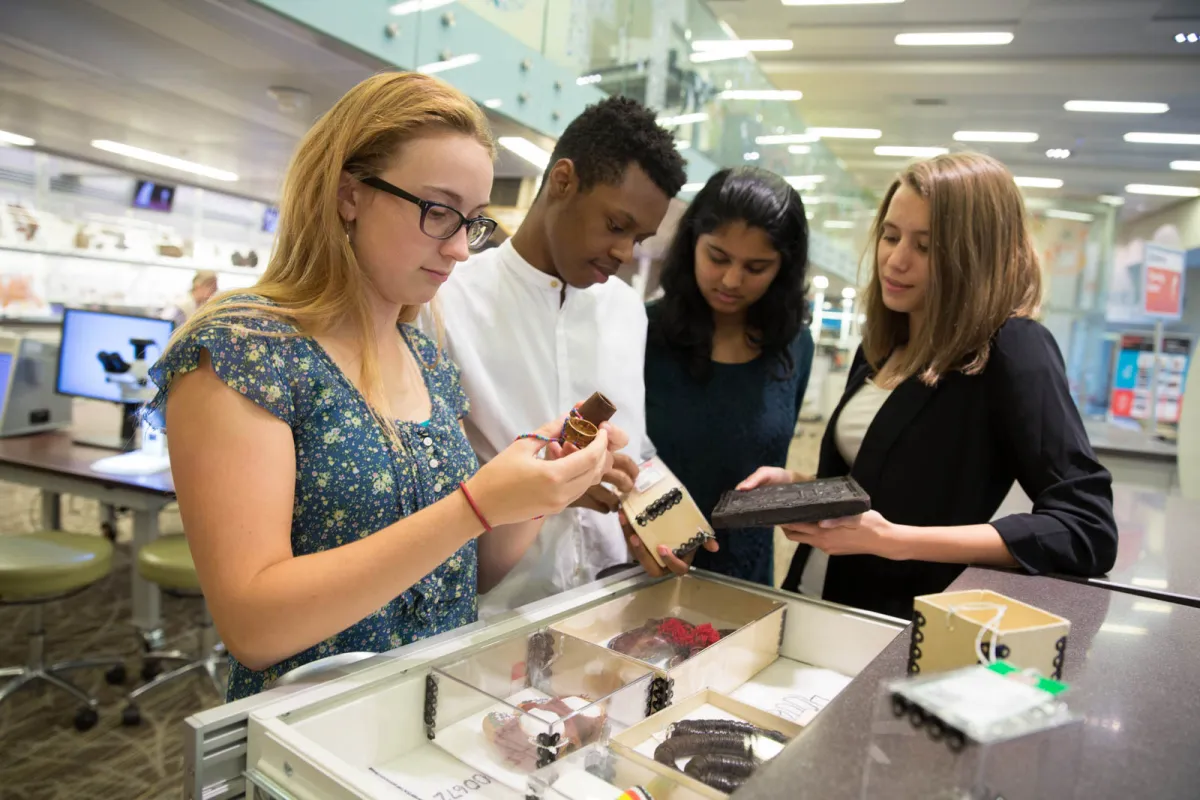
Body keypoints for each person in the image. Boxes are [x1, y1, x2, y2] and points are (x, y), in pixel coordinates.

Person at [145, 72, 620, 701]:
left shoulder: (425, 359)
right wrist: (473, 506)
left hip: (430, 718)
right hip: (311, 735)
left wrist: (538, 490)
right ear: (349, 194)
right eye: (437, 211)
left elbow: (461, 576)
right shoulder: (245, 351)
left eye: (472, 222)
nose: (458, 250)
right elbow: (254, 624)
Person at [740, 152, 1118, 619]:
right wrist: (798, 487)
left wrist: (896, 541)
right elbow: (880, 484)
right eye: (890, 236)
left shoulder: (1013, 349)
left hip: (901, 623)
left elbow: (1086, 527)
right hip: (811, 597)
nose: (896, 261)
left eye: (926, 246)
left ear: (974, 255)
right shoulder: (885, 343)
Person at [429, 96, 688, 615]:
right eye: (616, 225)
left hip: (609, 602)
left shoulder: (627, 311)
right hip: (493, 613)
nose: (624, 253)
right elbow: (429, 484)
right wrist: (554, 488)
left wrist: (663, 522)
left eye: (638, 238)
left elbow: (636, 448)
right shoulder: (447, 301)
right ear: (563, 181)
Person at [643, 167, 813, 586]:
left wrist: (793, 486)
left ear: (783, 268)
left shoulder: (793, 345)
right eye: (717, 258)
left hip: (746, 579)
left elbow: (788, 467)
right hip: (645, 567)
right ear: (691, 245)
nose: (731, 280)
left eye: (756, 267)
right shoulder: (642, 332)